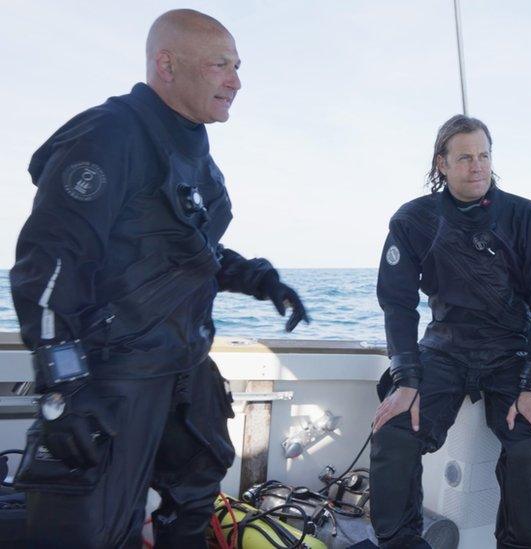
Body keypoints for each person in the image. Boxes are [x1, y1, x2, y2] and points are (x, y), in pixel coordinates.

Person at [9, 9, 309, 548]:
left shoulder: (193, 148)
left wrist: (261, 280)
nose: (236, 81)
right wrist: (61, 389)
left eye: (238, 66)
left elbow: (188, 249)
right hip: (114, 374)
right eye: (221, 65)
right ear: (166, 65)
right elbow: (48, 263)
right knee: (94, 532)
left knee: (193, 503)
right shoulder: (109, 135)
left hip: (184, 367)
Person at [370, 114, 531, 549]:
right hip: (444, 346)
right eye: (464, 158)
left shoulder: (527, 216)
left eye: (484, 155)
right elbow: (397, 303)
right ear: (441, 164)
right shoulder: (414, 220)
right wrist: (406, 379)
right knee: (394, 434)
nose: (477, 166)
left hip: (511, 352)